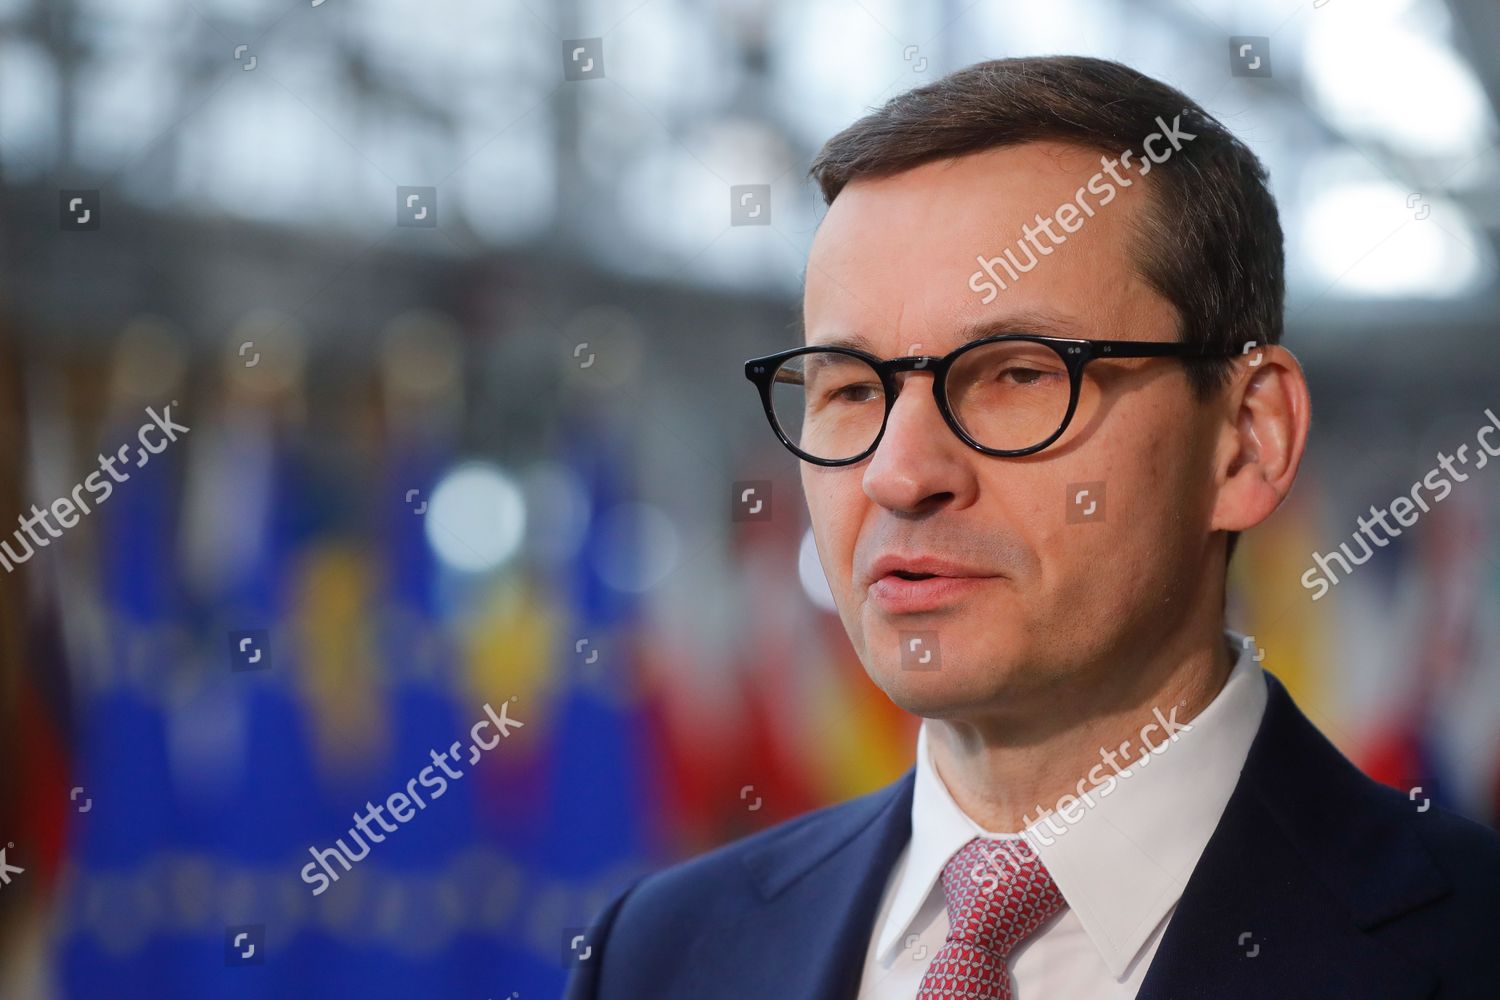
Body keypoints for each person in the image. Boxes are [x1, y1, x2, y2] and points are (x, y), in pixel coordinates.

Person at [564, 56, 1500, 999]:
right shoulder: (658, 955)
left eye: (1018, 374)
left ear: (1247, 441)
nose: (898, 473)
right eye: (849, 389)